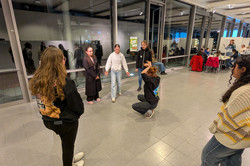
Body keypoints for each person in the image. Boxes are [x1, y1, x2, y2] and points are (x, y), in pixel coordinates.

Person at [29, 47, 85, 166]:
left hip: (48, 120)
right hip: (65, 123)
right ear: (59, 62)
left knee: (65, 142)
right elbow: (78, 107)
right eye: (63, 58)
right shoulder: (65, 82)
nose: (65, 60)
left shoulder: (38, 81)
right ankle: (68, 162)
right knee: (68, 146)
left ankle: (70, 158)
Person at [201, 55, 250, 166]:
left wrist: (215, 128)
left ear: (243, 69)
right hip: (244, 138)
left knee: (207, 155)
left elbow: (229, 120)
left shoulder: (243, 93)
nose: (232, 68)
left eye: (234, 66)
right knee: (232, 158)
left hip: (232, 136)